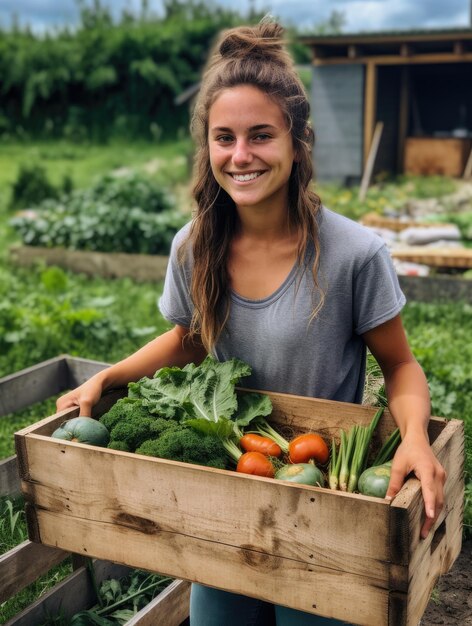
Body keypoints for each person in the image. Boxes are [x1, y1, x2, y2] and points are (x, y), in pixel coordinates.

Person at [57, 20, 446, 626]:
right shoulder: (195, 246)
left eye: (261, 135)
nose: (241, 156)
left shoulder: (352, 254)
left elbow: (399, 364)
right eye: (224, 138)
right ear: (207, 147)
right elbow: (189, 341)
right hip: (229, 501)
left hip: (323, 504)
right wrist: (110, 378)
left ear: (298, 142)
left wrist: (417, 439)